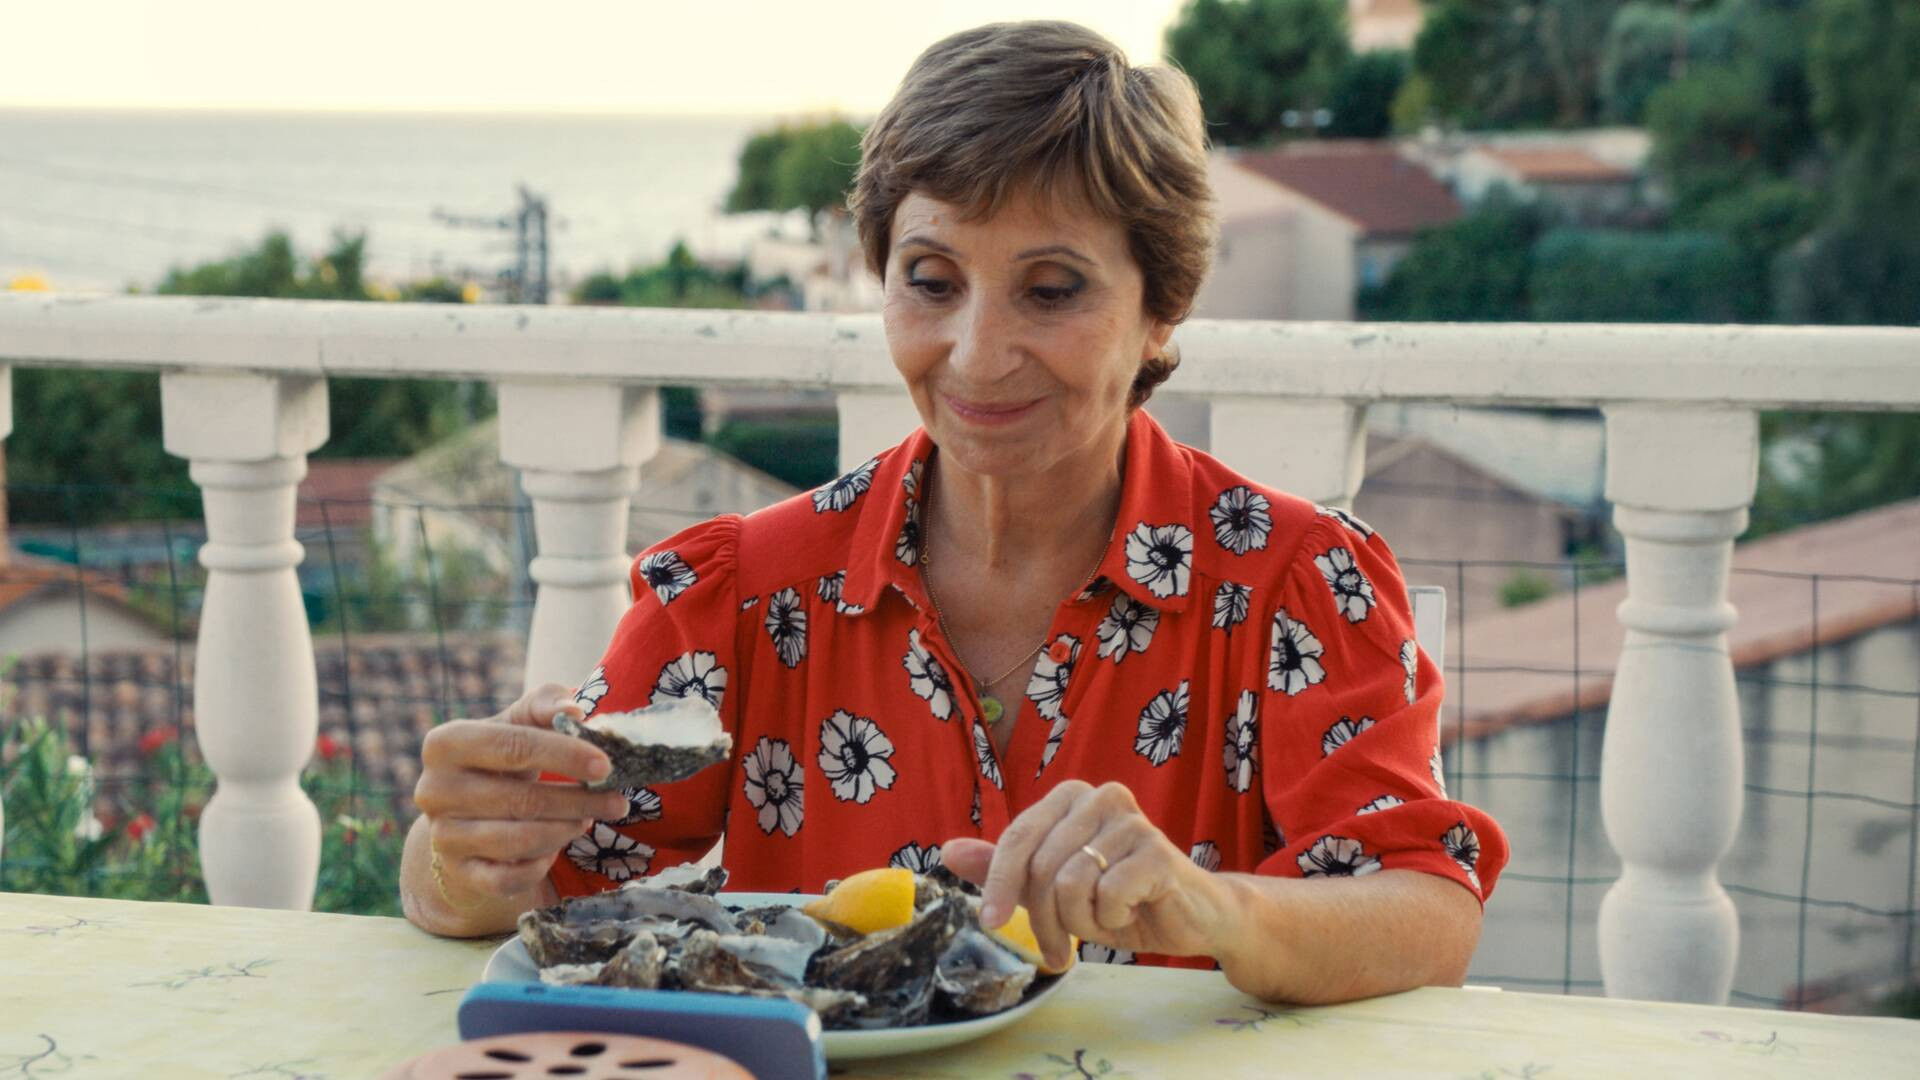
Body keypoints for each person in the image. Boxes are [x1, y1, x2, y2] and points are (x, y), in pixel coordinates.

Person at [401, 20, 1507, 1005]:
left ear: (1162, 309)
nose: (978, 354)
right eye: (932, 280)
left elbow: (1427, 909)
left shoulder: (1297, 584)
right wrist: (461, 847)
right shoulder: (739, 594)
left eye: (1052, 290)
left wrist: (1214, 908)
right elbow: (516, 892)